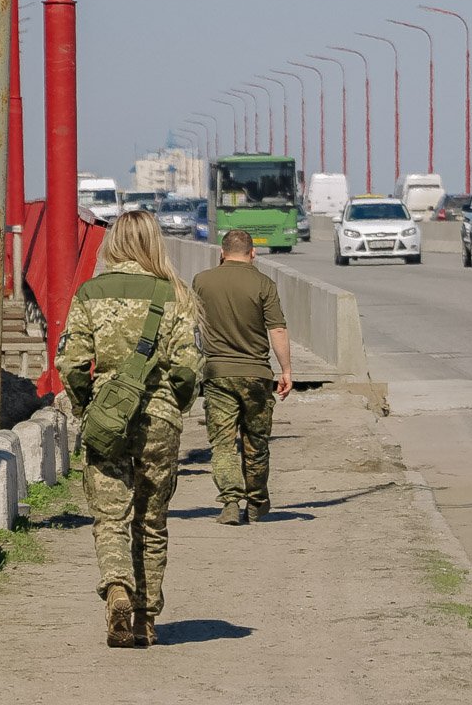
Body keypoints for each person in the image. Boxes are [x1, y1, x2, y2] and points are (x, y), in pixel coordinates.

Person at [55, 210, 204, 649]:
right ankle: (145, 618)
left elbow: (71, 363)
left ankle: (117, 587)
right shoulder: (175, 294)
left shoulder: (89, 293)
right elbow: (189, 366)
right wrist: (174, 405)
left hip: (108, 419)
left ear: (114, 242)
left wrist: (88, 407)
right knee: (152, 521)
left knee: (110, 516)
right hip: (159, 420)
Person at [192, 229, 293, 526]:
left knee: (223, 444)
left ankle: (229, 503)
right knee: (256, 443)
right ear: (252, 253)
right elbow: (277, 330)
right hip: (256, 375)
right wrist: (286, 370)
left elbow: (192, 324)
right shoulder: (264, 284)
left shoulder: (201, 281)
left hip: (218, 374)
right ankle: (256, 501)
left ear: (222, 252)